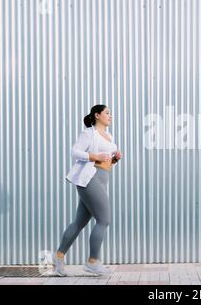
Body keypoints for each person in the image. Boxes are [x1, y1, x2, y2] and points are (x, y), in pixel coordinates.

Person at [52, 104, 122, 276]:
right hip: (89, 179)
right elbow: (74, 152)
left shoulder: (109, 136)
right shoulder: (89, 133)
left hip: (101, 179)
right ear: (97, 115)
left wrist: (115, 159)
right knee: (104, 219)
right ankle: (92, 261)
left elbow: (106, 160)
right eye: (107, 113)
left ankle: (58, 256)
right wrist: (95, 156)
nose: (110, 115)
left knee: (79, 222)